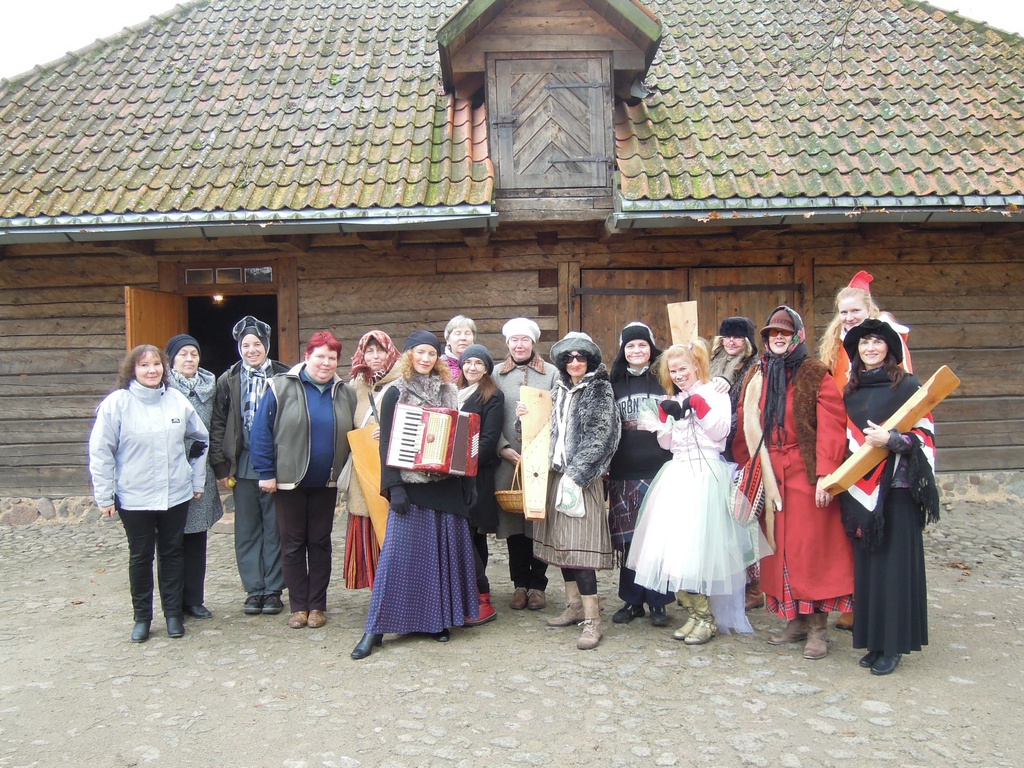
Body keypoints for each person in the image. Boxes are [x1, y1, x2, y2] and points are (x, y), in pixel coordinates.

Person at [733, 306, 853, 660]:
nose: (778, 337)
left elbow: (832, 424)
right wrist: (746, 467)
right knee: (780, 550)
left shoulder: (815, 373)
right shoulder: (759, 373)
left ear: (797, 335)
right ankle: (796, 620)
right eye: (772, 333)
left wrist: (825, 475)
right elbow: (746, 419)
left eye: (784, 332)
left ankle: (818, 627)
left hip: (805, 469)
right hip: (770, 471)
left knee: (810, 550)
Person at [351, 331, 479, 659]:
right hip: (410, 485)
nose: (426, 359)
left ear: (438, 358)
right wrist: (394, 488)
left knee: (439, 555)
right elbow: (386, 444)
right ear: (409, 355)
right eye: (420, 353)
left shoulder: (450, 391)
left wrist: (469, 485)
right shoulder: (395, 392)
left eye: (432, 354)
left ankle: (435, 621)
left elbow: (462, 440)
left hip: (446, 487)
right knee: (398, 558)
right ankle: (375, 630)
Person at [627, 341, 758, 644]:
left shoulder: (715, 392)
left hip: (706, 476)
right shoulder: (675, 397)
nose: (678, 375)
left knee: (696, 549)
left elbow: (720, 434)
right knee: (673, 550)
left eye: (682, 368)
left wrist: (699, 407)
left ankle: (707, 618)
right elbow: (669, 446)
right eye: (673, 371)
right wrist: (663, 423)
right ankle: (694, 614)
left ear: (697, 365)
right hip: (677, 474)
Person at [88, 345, 209, 643]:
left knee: (171, 553)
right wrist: (105, 495)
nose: (152, 370)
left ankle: (172, 615)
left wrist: (196, 481)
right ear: (133, 370)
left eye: (157, 364)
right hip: (135, 497)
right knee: (140, 557)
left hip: (175, 494)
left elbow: (200, 440)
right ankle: (142, 617)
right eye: (144, 365)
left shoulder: (176, 400)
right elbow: (101, 451)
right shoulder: (117, 404)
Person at [839, 319, 938, 675]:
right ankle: (874, 639)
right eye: (864, 343)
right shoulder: (849, 391)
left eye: (877, 342)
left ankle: (894, 644)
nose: (870, 348)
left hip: (897, 490)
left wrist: (893, 440)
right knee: (869, 569)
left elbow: (925, 435)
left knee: (895, 569)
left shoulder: (908, 385)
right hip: (861, 491)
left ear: (889, 348)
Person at [817, 270, 913, 631]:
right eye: (843, 312)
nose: (849, 317)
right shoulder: (836, 344)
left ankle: (879, 610)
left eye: (855, 309)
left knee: (882, 531)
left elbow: (907, 400)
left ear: (868, 308)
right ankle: (856, 599)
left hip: (879, 439)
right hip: (848, 432)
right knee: (853, 528)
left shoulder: (886, 343)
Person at [250, 331, 356, 629]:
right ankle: (298, 606)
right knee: (293, 543)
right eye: (320, 356)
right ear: (307, 356)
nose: (325, 363)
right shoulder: (280, 386)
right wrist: (266, 472)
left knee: (320, 542)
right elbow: (261, 431)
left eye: (331, 358)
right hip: (288, 481)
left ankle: (318, 605)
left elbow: (356, 430)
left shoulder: (344, 392)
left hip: (327, 481)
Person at [533, 332, 619, 650]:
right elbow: (541, 431)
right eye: (568, 358)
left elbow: (601, 435)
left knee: (581, 551)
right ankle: (574, 606)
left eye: (580, 357)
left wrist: (577, 474)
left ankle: (592, 621)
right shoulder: (558, 390)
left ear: (590, 360)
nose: (574, 362)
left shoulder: (599, 389)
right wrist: (523, 419)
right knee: (563, 547)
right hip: (557, 476)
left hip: (582, 480)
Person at [209, 316, 289, 617]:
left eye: (257, 344)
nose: (251, 350)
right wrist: (220, 464)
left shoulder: (284, 375)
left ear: (266, 345)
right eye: (246, 345)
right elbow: (218, 422)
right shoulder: (228, 379)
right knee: (247, 529)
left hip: (276, 462)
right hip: (242, 463)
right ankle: (254, 589)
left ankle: (273, 590)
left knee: (276, 527)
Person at [606, 322, 674, 627]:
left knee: (658, 538)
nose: (636, 350)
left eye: (642, 345)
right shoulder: (613, 383)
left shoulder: (666, 380)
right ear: (623, 350)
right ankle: (632, 601)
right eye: (630, 346)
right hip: (624, 471)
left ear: (651, 348)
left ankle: (659, 603)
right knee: (630, 541)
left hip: (660, 469)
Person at [494, 317, 556, 611]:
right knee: (514, 526)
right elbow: (487, 416)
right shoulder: (495, 375)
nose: (519, 345)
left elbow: (558, 416)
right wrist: (502, 447)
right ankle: (519, 584)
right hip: (507, 461)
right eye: (514, 340)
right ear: (507, 344)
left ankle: (538, 585)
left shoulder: (552, 375)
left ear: (533, 343)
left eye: (525, 340)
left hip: (539, 461)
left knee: (536, 524)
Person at [165, 334, 224, 620]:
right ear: (172, 359)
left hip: (200, 469)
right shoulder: (161, 387)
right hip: (170, 471)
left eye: (194, 354)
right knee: (170, 541)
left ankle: (195, 599)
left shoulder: (209, 385)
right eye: (183, 354)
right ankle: (173, 602)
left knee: (196, 539)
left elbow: (215, 426)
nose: (189, 359)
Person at [708, 316, 763, 610]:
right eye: (727, 337)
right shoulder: (712, 361)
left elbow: (747, 408)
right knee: (720, 521)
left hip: (740, 448)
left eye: (738, 338)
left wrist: (719, 425)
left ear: (747, 341)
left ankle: (754, 585)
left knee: (742, 519)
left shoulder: (753, 368)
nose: (732, 342)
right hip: (714, 451)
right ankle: (725, 582)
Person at [343, 330, 402, 589]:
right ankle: (377, 588)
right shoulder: (355, 385)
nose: (375, 356)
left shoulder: (402, 381)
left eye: (380, 350)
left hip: (394, 465)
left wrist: (391, 429)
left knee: (395, 523)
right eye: (370, 351)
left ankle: (397, 585)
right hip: (364, 466)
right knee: (368, 522)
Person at [456, 343, 505, 626]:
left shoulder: (492, 396)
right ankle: (467, 589)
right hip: (453, 478)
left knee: (473, 533)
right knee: (463, 531)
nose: (472, 367)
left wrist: (462, 462)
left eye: (478, 363)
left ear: (486, 368)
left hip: (476, 476)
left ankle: (479, 593)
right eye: (467, 362)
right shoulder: (453, 393)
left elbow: (488, 440)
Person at [442, 315, 476, 380]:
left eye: (467, 333)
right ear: (448, 339)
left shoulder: (481, 364)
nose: (463, 338)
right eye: (458, 333)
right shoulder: (439, 366)